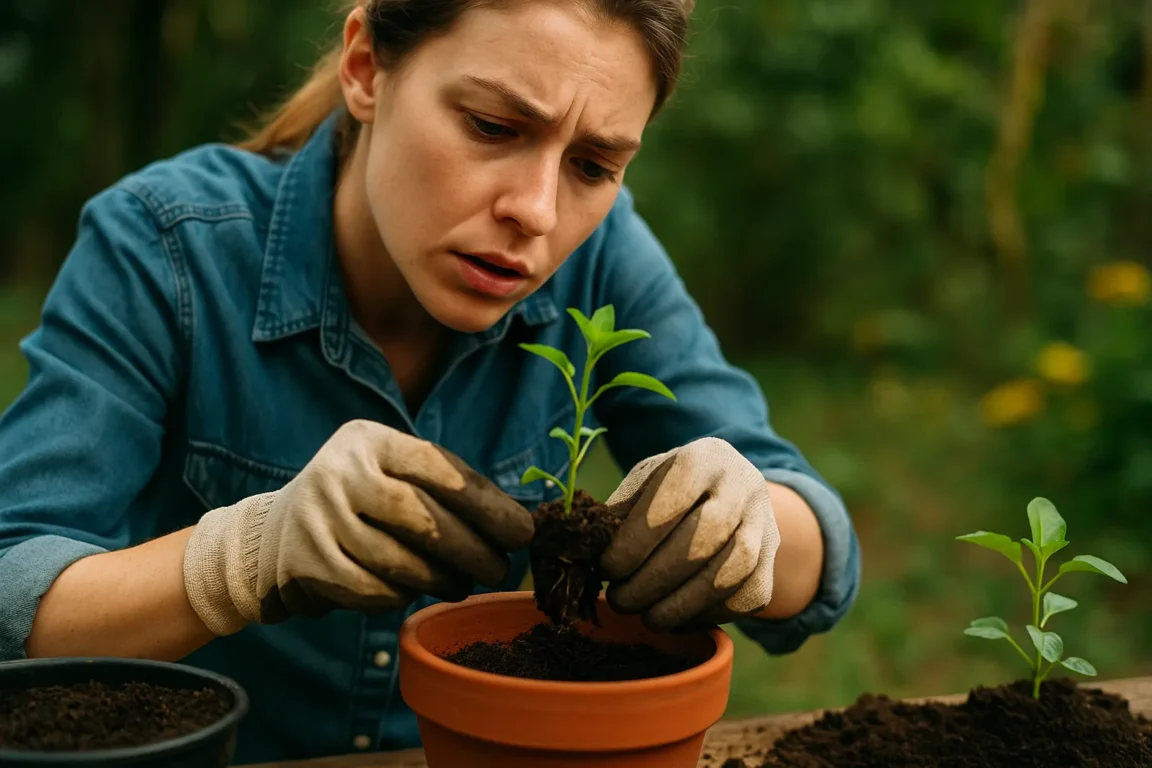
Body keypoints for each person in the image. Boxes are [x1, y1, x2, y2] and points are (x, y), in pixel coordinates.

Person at [0, 0, 860, 763]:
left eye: (594, 165)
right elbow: (16, 589)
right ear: (366, 68)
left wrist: (753, 523)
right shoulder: (167, 250)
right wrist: (245, 557)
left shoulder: (603, 260)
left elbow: (819, 554)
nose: (537, 209)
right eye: (492, 125)